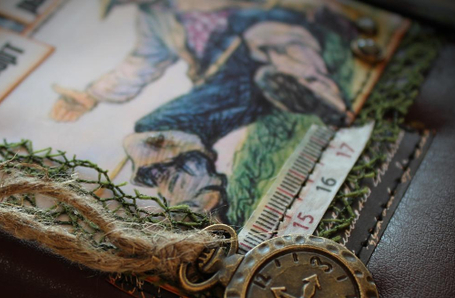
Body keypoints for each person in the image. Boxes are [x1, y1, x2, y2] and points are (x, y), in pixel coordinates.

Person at [51, 0, 357, 219]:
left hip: (256, 28)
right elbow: (141, 63)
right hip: (222, 78)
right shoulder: (153, 17)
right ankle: (200, 201)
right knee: (153, 132)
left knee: (269, 38)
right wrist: (91, 95)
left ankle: (309, 88)